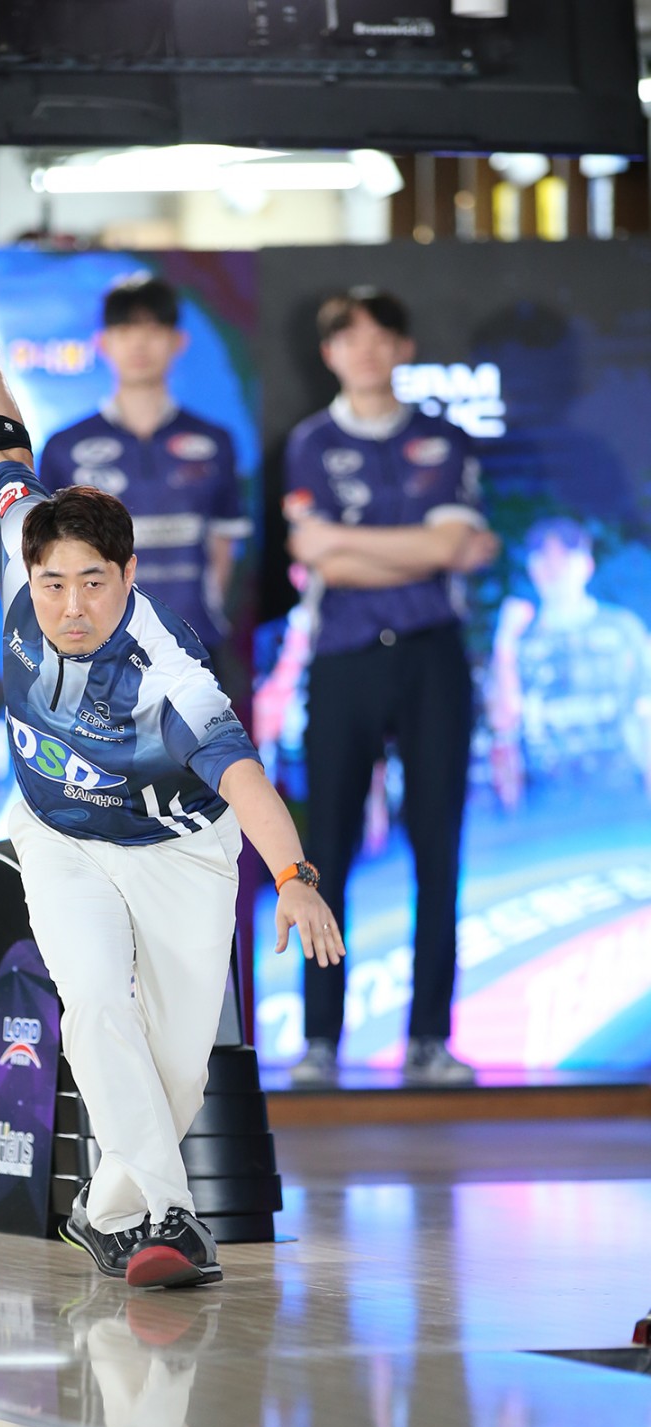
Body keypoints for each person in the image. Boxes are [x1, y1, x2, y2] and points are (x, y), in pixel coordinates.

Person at [0, 301, 343, 1290]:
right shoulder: (22, 542)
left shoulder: (171, 675)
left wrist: (293, 877)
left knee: (174, 1063)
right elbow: (1, 445)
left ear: (128, 575)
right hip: (59, 837)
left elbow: (243, 777)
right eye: (53, 584)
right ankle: (169, 1218)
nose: (70, 605)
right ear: (27, 568)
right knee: (93, 1004)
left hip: (179, 851)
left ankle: (103, 1209)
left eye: (94, 583)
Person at [283, 289, 499, 1087]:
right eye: (350, 339)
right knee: (326, 851)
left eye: (382, 337)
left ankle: (429, 1039)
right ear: (330, 353)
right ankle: (319, 1039)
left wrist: (351, 544)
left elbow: (452, 548)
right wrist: (422, 549)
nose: (367, 351)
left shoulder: (444, 437)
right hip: (344, 656)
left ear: (404, 348)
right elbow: (322, 561)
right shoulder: (309, 442)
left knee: (438, 846)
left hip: (432, 656)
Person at [39, 274, 250, 658]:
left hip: (192, 645)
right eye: (125, 329)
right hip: (99, 649)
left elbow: (223, 543)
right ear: (103, 343)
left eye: (153, 329)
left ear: (178, 341)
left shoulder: (214, 442)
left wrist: (205, 611)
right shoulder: (63, 447)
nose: (139, 343)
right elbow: (46, 557)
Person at [487, 517, 651, 808]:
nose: (555, 566)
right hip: (548, 802)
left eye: (565, 555)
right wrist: (505, 642)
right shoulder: (520, 640)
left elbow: (646, 713)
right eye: (543, 557)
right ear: (532, 568)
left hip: (625, 792)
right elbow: (503, 724)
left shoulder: (622, 628)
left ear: (587, 564)